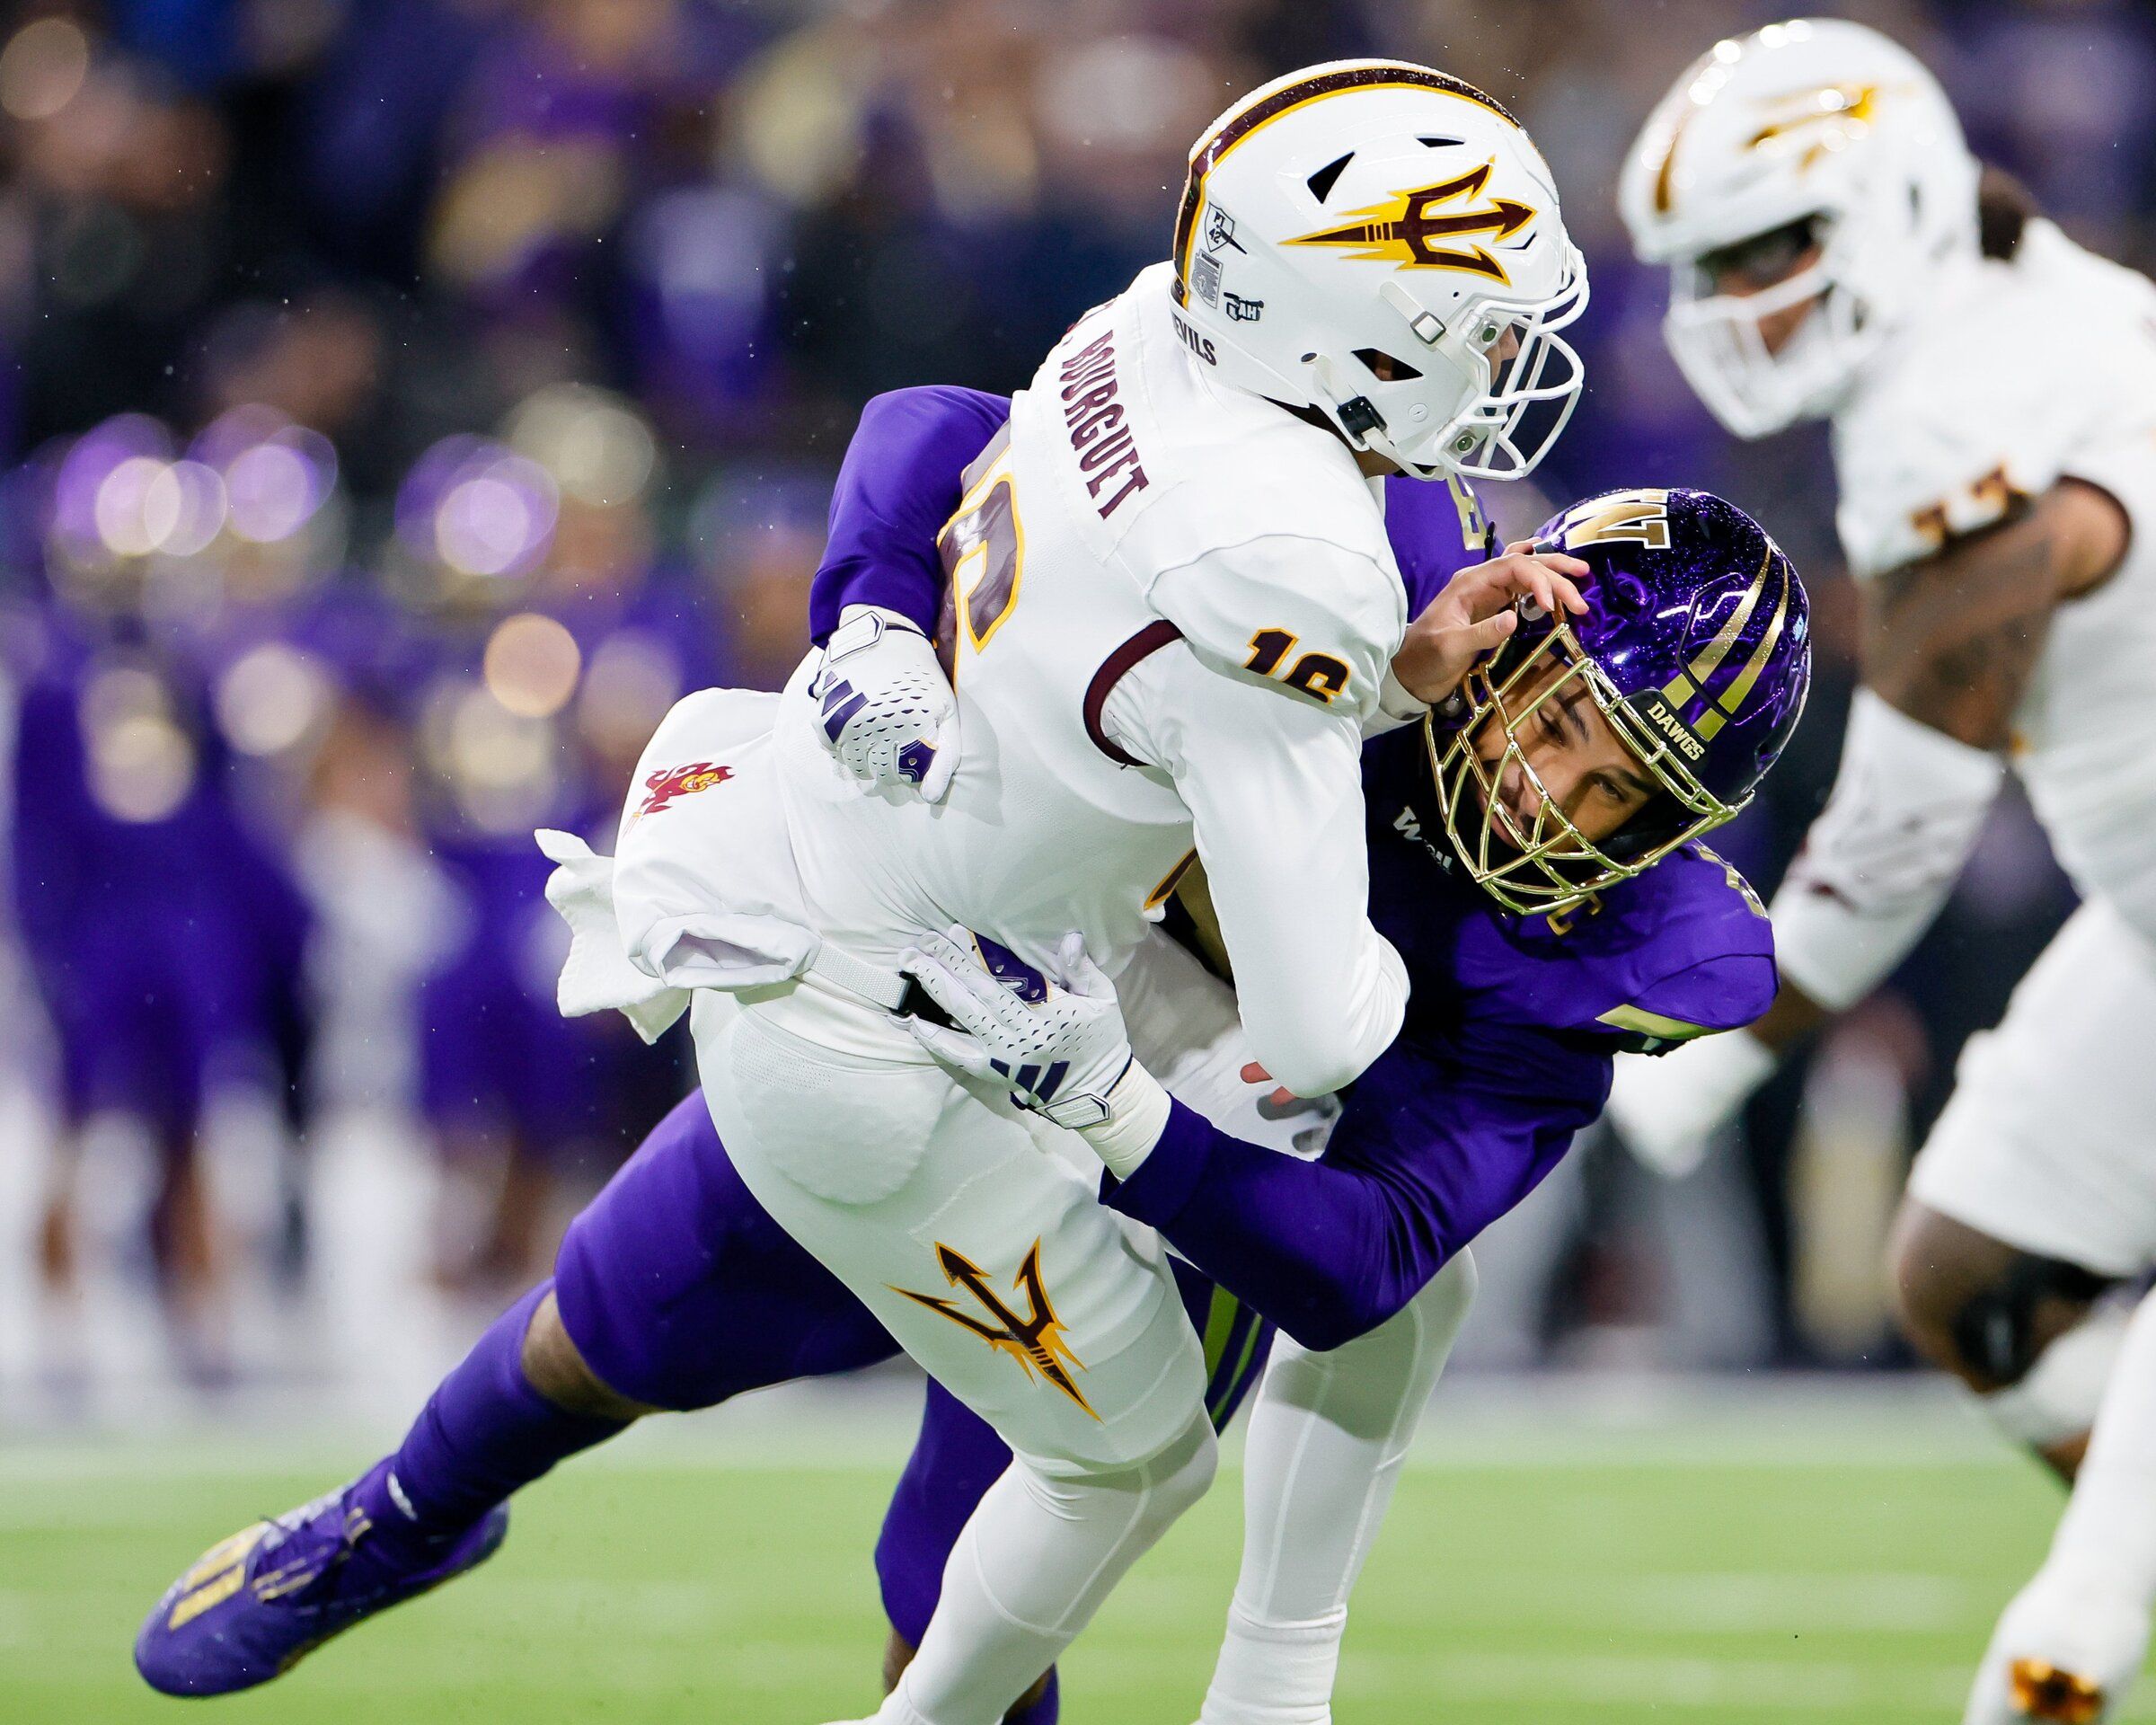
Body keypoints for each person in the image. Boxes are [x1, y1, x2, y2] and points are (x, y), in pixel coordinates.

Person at [136, 388, 1811, 1725]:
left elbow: (1366, 1267)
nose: (1560, 802)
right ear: (1516, 625)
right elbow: (939, 429)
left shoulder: (1611, 959)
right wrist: (873, 616)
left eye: (1631, 794)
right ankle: (404, 1517)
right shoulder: (1359, 552)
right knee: (620, 1306)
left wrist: (1118, 1108)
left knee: (956, 1581)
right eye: (1565, 725)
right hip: (989, 957)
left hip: (1200, 1167)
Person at [1613, 19, 2156, 1723]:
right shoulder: (2023, 312)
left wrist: (1704, 1053)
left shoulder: (1959, 407)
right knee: (1971, 1274)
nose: (1746, 299)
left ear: (1904, 201)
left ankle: (2073, 1637)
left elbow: (1905, 834)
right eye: (1714, 266)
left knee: (2065, 1642)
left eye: (1779, 245)